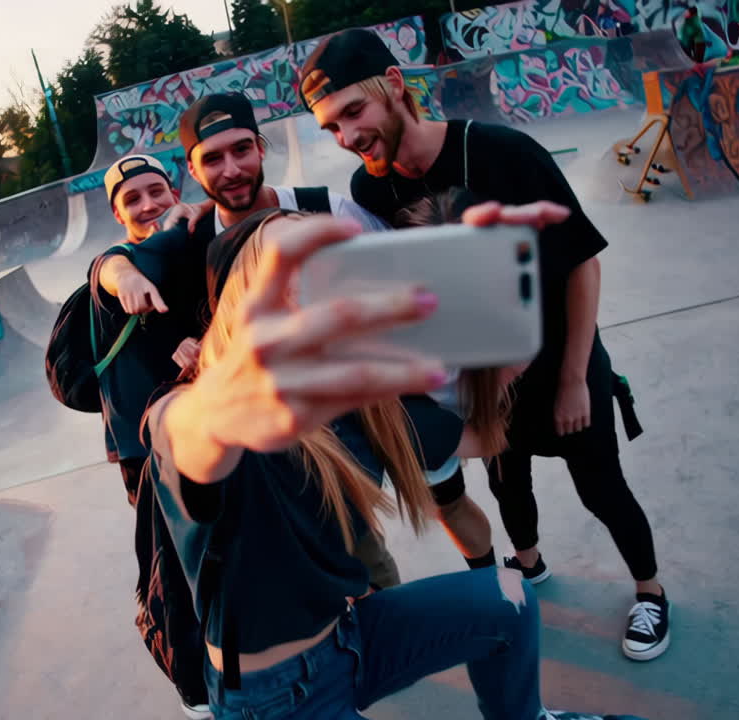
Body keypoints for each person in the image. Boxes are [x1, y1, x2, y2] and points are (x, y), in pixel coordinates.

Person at [145, 208, 644, 719]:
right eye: (289, 262)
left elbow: (482, 438)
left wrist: (513, 369)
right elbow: (186, 432)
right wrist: (219, 412)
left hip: (350, 636)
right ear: (244, 300)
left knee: (506, 597)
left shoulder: (366, 407)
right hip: (274, 695)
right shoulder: (194, 413)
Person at [300, 28, 671, 661]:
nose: (347, 137)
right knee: (507, 484)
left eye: (352, 113)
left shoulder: (501, 151)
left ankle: (650, 591)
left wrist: (577, 377)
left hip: (560, 358)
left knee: (601, 486)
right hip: (482, 376)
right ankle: (527, 567)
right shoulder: (372, 192)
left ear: (394, 86)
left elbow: (582, 262)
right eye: (331, 128)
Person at [101, 91, 499, 585]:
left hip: (383, 402)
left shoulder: (322, 208)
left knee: (449, 502)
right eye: (214, 159)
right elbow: (112, 264)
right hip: (313, 434)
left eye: (242, 150)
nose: (231, 170)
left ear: (262, 148)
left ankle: (495, 588)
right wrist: (131, 282)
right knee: (356, 547)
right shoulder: (195, 237)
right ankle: (393, 636)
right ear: (192, 167)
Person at [90, 154, 212, 719]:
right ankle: (194, 687)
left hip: (200, 427)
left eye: (155, 190)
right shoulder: (120, 262)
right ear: (118, 215)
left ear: (174, 189)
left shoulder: (188, 241)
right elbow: (109, 271)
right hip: (145, 450)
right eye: (131, 199)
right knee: (177, 566)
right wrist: (128, 275)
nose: (147, 205)